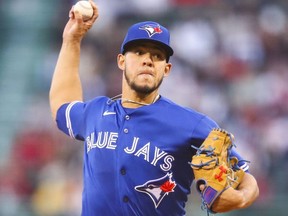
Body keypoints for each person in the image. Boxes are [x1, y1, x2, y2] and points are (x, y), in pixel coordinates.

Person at [49, 1, 259, 215]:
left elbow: (245, 175)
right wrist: (72, 39)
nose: (148, 61)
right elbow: (63, 106)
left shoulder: (191, 124)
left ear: (166, 69)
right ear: (121, 61)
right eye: (139, 52)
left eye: (157, 56)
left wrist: (241, 197)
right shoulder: (96, 113)